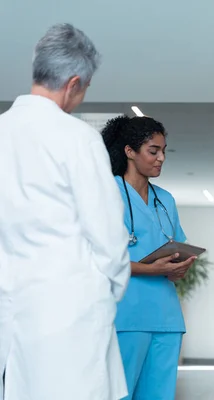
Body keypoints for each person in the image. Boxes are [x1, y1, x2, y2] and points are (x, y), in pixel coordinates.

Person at [0, 23, 131, 399]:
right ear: (74, 83)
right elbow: (108, 234)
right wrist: (110, 288)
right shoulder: (78, 138)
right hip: (70, 314)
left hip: (11, 308)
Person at [101, 115, 196, 400]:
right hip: (126, 316)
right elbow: (99, 259)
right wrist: (150, 269)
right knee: (120, 394)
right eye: (153, 151)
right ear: (129, 151)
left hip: (166, 318)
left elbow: (178, 245)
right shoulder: (107, 194)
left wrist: (178, 268)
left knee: (160, 396)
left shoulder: (164, 199)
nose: (161, 158)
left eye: (164, 150)